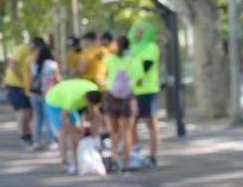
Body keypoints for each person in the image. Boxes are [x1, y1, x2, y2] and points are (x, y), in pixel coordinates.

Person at [44, 77, 103, 175]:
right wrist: (76, 130)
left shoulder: (94, 90)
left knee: (77, 133)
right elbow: (64, 119)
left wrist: (94, 135)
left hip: (68, 95)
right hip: (54, 101)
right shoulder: (73, 99)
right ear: (87, 100)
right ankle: (64, 161)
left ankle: (76, 161)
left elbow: (95, 112)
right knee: (63, 131)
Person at [102, 35, 139, 172]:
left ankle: (113, 160)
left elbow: (105, 75)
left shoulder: (110, 59)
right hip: (127, 98)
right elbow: (139, 80)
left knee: (113, 132)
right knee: (126, 132)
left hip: (111, 97)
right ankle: (125, 164)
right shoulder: (134, 61)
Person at [130, 17, 161, 167]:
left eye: (142, 31)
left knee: (151, 123)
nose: (138, 33)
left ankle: (153, 155)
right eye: (137, 30)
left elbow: (146, 66)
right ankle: (136, 152)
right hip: (132, 91)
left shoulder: (151, 47)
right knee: (131, 122)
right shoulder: (132, 48)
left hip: (147, 90)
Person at [27, 37, 59, 150]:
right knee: (49, 118)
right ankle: (51, 141)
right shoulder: (52, 64)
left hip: (34, 94)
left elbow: (31, 78)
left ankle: (36, 141)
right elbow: (57, 79)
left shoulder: (33, 64)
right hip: (48, 94)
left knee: (38, 118)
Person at [2, 36, 34, 147]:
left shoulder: (30, 52)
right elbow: (12, 65)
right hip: (15, 85)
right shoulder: (22, 50)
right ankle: (23, 135)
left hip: (23, 86)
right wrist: (23, 79)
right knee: (22, 110)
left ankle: (27, 133)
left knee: (29, 111)